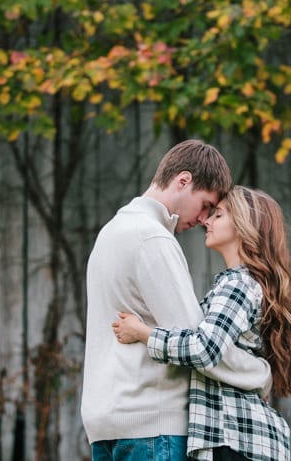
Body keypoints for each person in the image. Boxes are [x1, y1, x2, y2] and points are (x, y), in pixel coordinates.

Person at [81, 140, 272, 461]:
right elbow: (202, 347)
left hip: (105, 423)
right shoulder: (153, 237)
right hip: (152, 423)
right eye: (206, 205)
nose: (203, 219)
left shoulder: (111, 232)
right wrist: (259, 372)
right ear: (183, 181)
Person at [112, 186, 291, 461]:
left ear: (243, 226)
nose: (206, 221)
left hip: (236, 439)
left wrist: (143, 333)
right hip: (240, 440)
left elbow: (204, 349)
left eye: (219, 215)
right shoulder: (240, 283)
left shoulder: (237, 285)